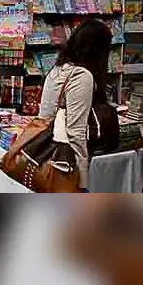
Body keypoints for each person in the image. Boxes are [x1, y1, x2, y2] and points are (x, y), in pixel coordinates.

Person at [38, 19, 113, 193]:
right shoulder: (82, 76)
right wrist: (83, 180)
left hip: (47, 152)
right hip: (64, 161)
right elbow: (76, 131)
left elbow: (45, 114)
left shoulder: (58, 69)